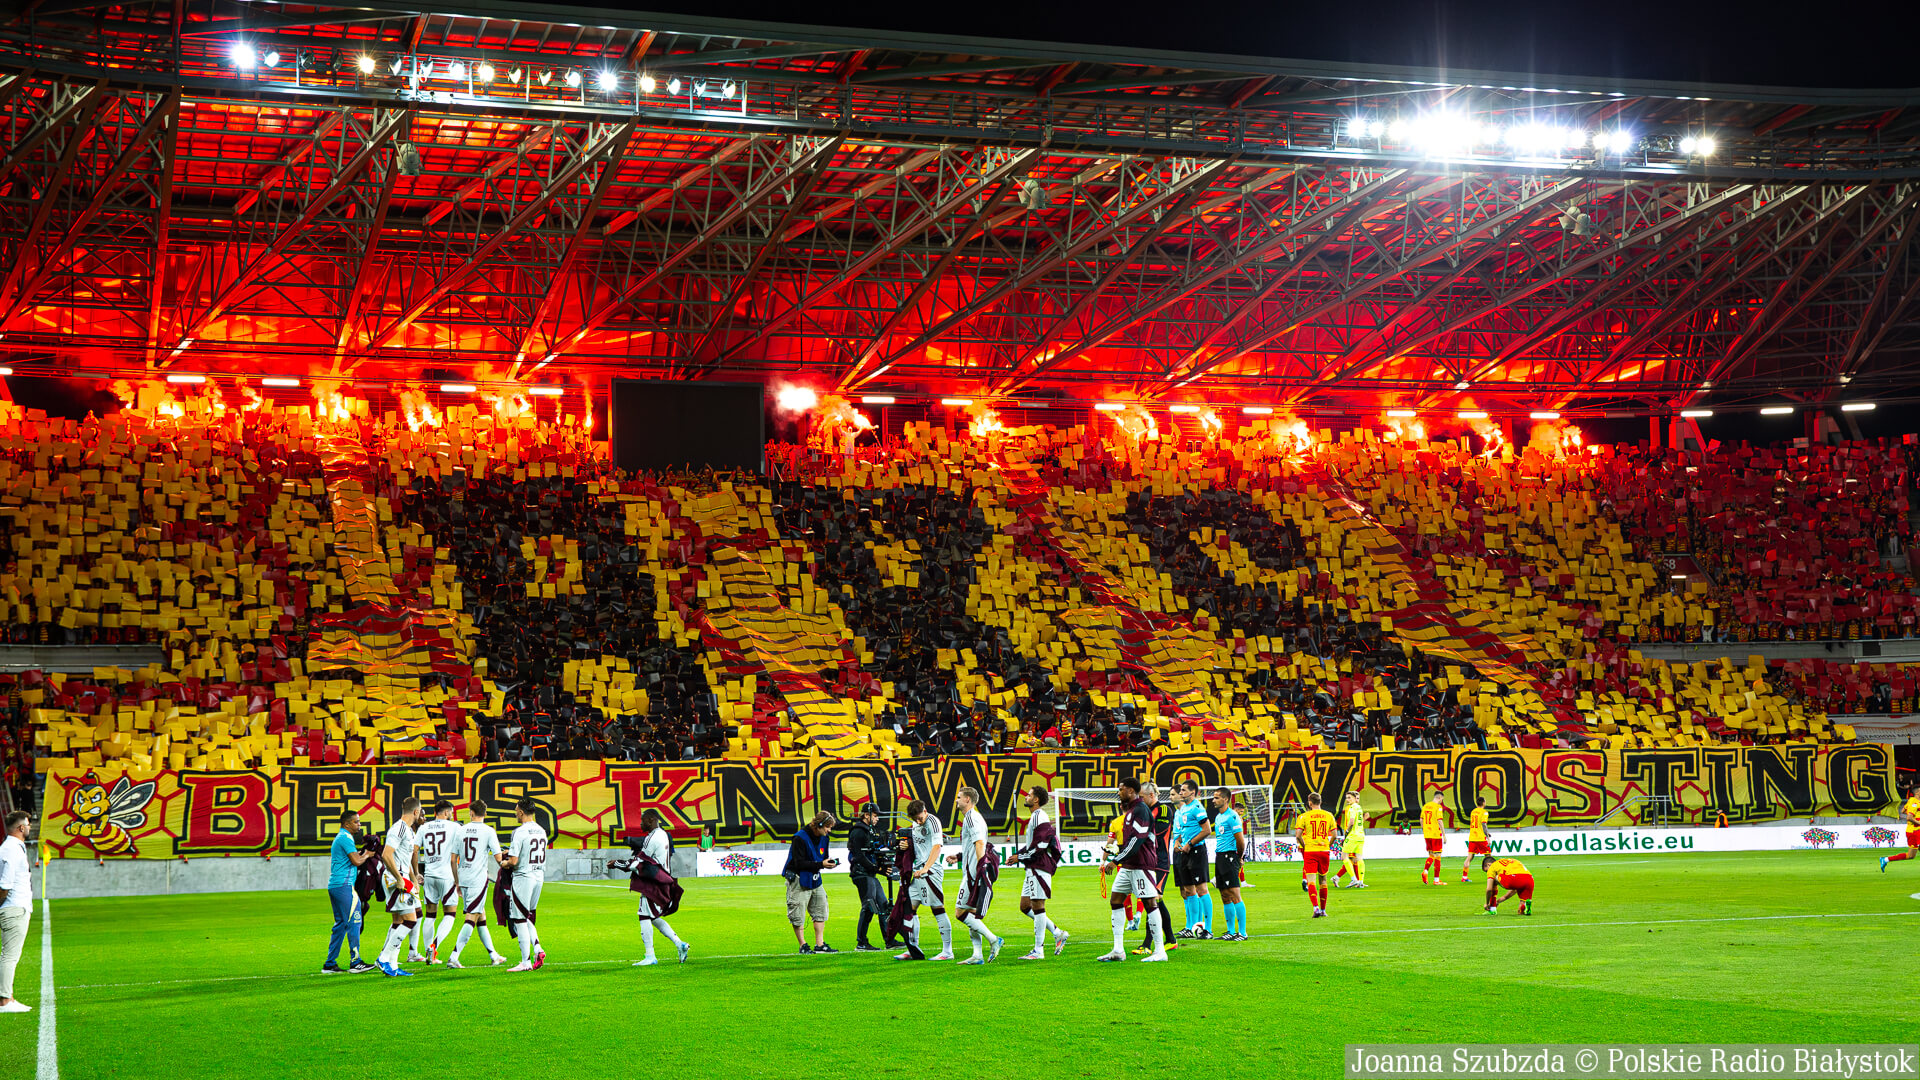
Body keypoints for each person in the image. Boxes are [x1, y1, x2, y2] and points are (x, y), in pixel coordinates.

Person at [1098, 778, 1166, 963]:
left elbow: (1137, 841)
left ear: (1131, 790)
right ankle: (1118, 950)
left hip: (1141, 865)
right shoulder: (1130, 812)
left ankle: (1160, 950)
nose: (1118, 792)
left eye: (1121, 789)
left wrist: (1115, 860)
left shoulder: (1141, 810)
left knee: (1150, 903)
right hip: (1129, 865)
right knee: (1116, 899)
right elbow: (1128, 843)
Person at [627, 809, 691, 966]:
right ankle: (680, 944)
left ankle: (650, 956)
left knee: (643, 915)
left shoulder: (653, 838)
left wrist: (620, 864)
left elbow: (640, 862)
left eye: (642, 821)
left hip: (654, 881)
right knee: (653, 917)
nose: (641, 824)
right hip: (663, 880)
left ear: (650, 820)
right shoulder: (663, 834)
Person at [447, 801, 507, 968]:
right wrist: (508, 855)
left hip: (464, 878)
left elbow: (453, 859)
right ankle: (454, 956)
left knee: (481, 916)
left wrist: (457, 882)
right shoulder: (489, 831)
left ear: (471, 813)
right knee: (472, 917)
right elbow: (498, 858)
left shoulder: (461, 830)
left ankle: (493, 955)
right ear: (485, 814)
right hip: (477, 880)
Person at [1011, 785, 1067, 959]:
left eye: (1029, 795)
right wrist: (1019, 855)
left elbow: (1041, 845)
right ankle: (1057, 932)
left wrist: (1020, 857)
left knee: (1038, 906)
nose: (1026, 797)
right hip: (1032, 867)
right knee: (1025, 906)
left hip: (1039, 867)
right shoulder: (1035, 817)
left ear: (1036, 800)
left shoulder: (1039, 816)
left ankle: (1038, 950)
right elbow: (1032, 845)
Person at [949, 787, 1004, 965]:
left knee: (960, 913)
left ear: (967, 799)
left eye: (958, 797)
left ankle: (994, 939)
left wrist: (981, 869)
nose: (956, 800)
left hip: (973, 873)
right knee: (971, 912)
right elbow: (973, 845)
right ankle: (977, 955)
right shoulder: (971, 818)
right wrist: (959, 856)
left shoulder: (972, 818)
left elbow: (980, 843)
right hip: (972, 870)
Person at [895, 799, 954, 961]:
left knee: (937, 909)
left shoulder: (933, 822)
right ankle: (913, 949)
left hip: (930, 871)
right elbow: (918, 844)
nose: (919, 821)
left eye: (920, 818)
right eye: (915, 819)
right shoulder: (915, 824)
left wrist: (926, 868)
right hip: (917, 872)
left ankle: (947, 951)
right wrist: (906, 846)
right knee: (910, 909)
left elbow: (936, 847)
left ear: (925, 811)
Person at [374, 797, 425, 977]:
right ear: (416, 811)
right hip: (395, 879)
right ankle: (383, 957)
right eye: (421, 812)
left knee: (399, 921)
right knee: (411, 920)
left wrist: (413, 878)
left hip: (403, 877)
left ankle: (393, 966)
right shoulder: (399, 828)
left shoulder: (410, 831)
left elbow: (405, 859)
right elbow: (386, 855)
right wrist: (399, 878)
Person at [498, 798, 549, 972]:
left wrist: (503, 863)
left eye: (516, 810)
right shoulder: (542, 831)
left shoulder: (519, 832)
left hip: (523, 877)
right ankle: (537, 949)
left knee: (519, 918)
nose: (515, 813)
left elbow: (513, 861)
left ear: (521, 812)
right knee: (528, 916)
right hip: (538, 876)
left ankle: (525, 961)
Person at [322, 811, 376, 974]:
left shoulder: (342, 837)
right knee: (355, 921)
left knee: (340, 925)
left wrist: (362, 855)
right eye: (356, 822)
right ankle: (356, 961)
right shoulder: (345, 838)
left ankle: (330, 964)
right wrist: (367, 854)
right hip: (344, 886)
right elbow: (356, 861)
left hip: (336, 885)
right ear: (347, 824)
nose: (359, 825)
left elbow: (351, 859)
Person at [782, 811, 840, 954]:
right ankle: (803, 945)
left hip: (815, 877)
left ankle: (819, 944)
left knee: (821, 908)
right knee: (798, 912)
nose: (829, 831)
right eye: (827, 827)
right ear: (819, 825)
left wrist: (828, 863)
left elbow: (823, 858)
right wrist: (821, 864)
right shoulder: (799, 838)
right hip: (798, 877)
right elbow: (799, 863)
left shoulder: (824, 838)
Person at [416, 800, 463, 964]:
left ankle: (428, 953)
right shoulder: (455, 827)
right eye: (450, 812)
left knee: (430, 915)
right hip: (447, 876)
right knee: (450, 914)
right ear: (446, 812)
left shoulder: (424, 828)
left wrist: (416, 873)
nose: (451, 815)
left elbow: (415, 850)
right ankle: (433, 946)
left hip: (429, 875)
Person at [847, 803, 898, 953]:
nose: (877, 819)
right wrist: (878, 869)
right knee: (869, 906)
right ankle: (861, 943)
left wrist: (880, 870)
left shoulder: (868, 831)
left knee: (882, 904)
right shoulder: (858, 832)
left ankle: (889, 940)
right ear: (866, 815)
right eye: (875, 816)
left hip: (869, 874)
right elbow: (859, 855)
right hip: (862, 874)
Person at [1134, 783, 1176, 955]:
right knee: (1154, 900)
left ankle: (1147, 944)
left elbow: (1156, 832)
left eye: (1142, 797)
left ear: (1152, 795)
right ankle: (1171, 939)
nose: (1140, 801)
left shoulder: (1164, 810)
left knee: (1152, 899)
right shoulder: (1144, 811)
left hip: (1160, 861)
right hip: (1148, 861)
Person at [1171, 780, 1213, 939]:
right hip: (1185, 851)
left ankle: (1207, 929)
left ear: (1192, 793)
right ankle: (1191, 927)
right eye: (1180, 790)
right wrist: (1178, 842)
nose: (1181, 793)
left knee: (1201, 889)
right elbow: (1182, 831)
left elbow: (1207, 830)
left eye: (1183, 790)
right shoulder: (1183, 810)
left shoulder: (1197, 808)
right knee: (1188, 891)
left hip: (1196, 852)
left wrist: (1190, 843)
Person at [0, 811, 33, 1013]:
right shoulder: (11, 849)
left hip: (13, 906)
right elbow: (5, 885)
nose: (29, 827)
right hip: (14, 907)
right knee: (10, 956)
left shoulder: (10, 847)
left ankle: (8, 997)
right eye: (27, 824)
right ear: (21, 828)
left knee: (9, 955)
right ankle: (4, 1000)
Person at [1210, 787, 1248, 940]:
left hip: (1230, 856)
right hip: (1220, 856)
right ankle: (1231, 931)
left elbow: (1240, 840)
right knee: (1224, 895)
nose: (1213, 800)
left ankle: (1243, 932)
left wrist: (1239, 857)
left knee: (1235, 894)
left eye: (1217, 798)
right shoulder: (1219, 816)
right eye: (1214, 797)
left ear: (1225, 799)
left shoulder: (1232, 816)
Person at [1295, 792, 1337, 918]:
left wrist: (1304, 846)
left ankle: (1316, 908)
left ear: (1310, 803)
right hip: (1324, 850)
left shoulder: (1304, 817)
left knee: (1311, 881)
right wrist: (1327, 846)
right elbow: (1334, 835)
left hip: (1310, 851)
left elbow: (1298, 835)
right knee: (1323, 880)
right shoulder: (1328, 815)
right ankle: (1324, 910)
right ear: (1321, 802)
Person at [1879, 784, 1920, 871]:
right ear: (1917, 792)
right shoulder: (1914, 803)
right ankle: (1885, 859)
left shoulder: (1911, 800)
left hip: (1915, 831)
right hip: (1914, 832)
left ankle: (1885, 859)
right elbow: (1909, 817)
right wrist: (1918, 822)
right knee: (1910, 856)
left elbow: (1903, 811)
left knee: (1911, 855)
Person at [1333, 792, 1367, 889]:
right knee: (1359, 858)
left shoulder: (1352, 808)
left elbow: (1351, 822)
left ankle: (1353, 879)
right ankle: (1360, 881)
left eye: (1349, 798)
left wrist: (1347, 832)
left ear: (1354, 798)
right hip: (1361, 835)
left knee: (1344, 856)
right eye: (1347, 798)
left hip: (1353, 836)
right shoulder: (1359, 807)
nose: (1347, 800)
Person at [1418, 789, 1448, 885]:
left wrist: (1424, 830)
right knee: (1437, 856)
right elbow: (1440, 821)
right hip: (1435, 834)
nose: (1441, 802)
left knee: (1431, 855)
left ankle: (1427, 872)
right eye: (1441, 800)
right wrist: (1444, 835)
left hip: (1427, 834)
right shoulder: (1438, 807)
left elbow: (1421, 819)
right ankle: (1435, 879)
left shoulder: (1425, 806)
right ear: (1439, 798)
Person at [1461, 797, 1490, 883]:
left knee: (1469, 857)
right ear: (1483, 803)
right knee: (1488, 857)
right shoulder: (1484, 812)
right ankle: (1491, 876)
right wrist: (1487, 837)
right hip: (1481, 838)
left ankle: (1464, 877)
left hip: (1472, 837)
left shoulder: (1473, 811)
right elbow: (1483, 824)